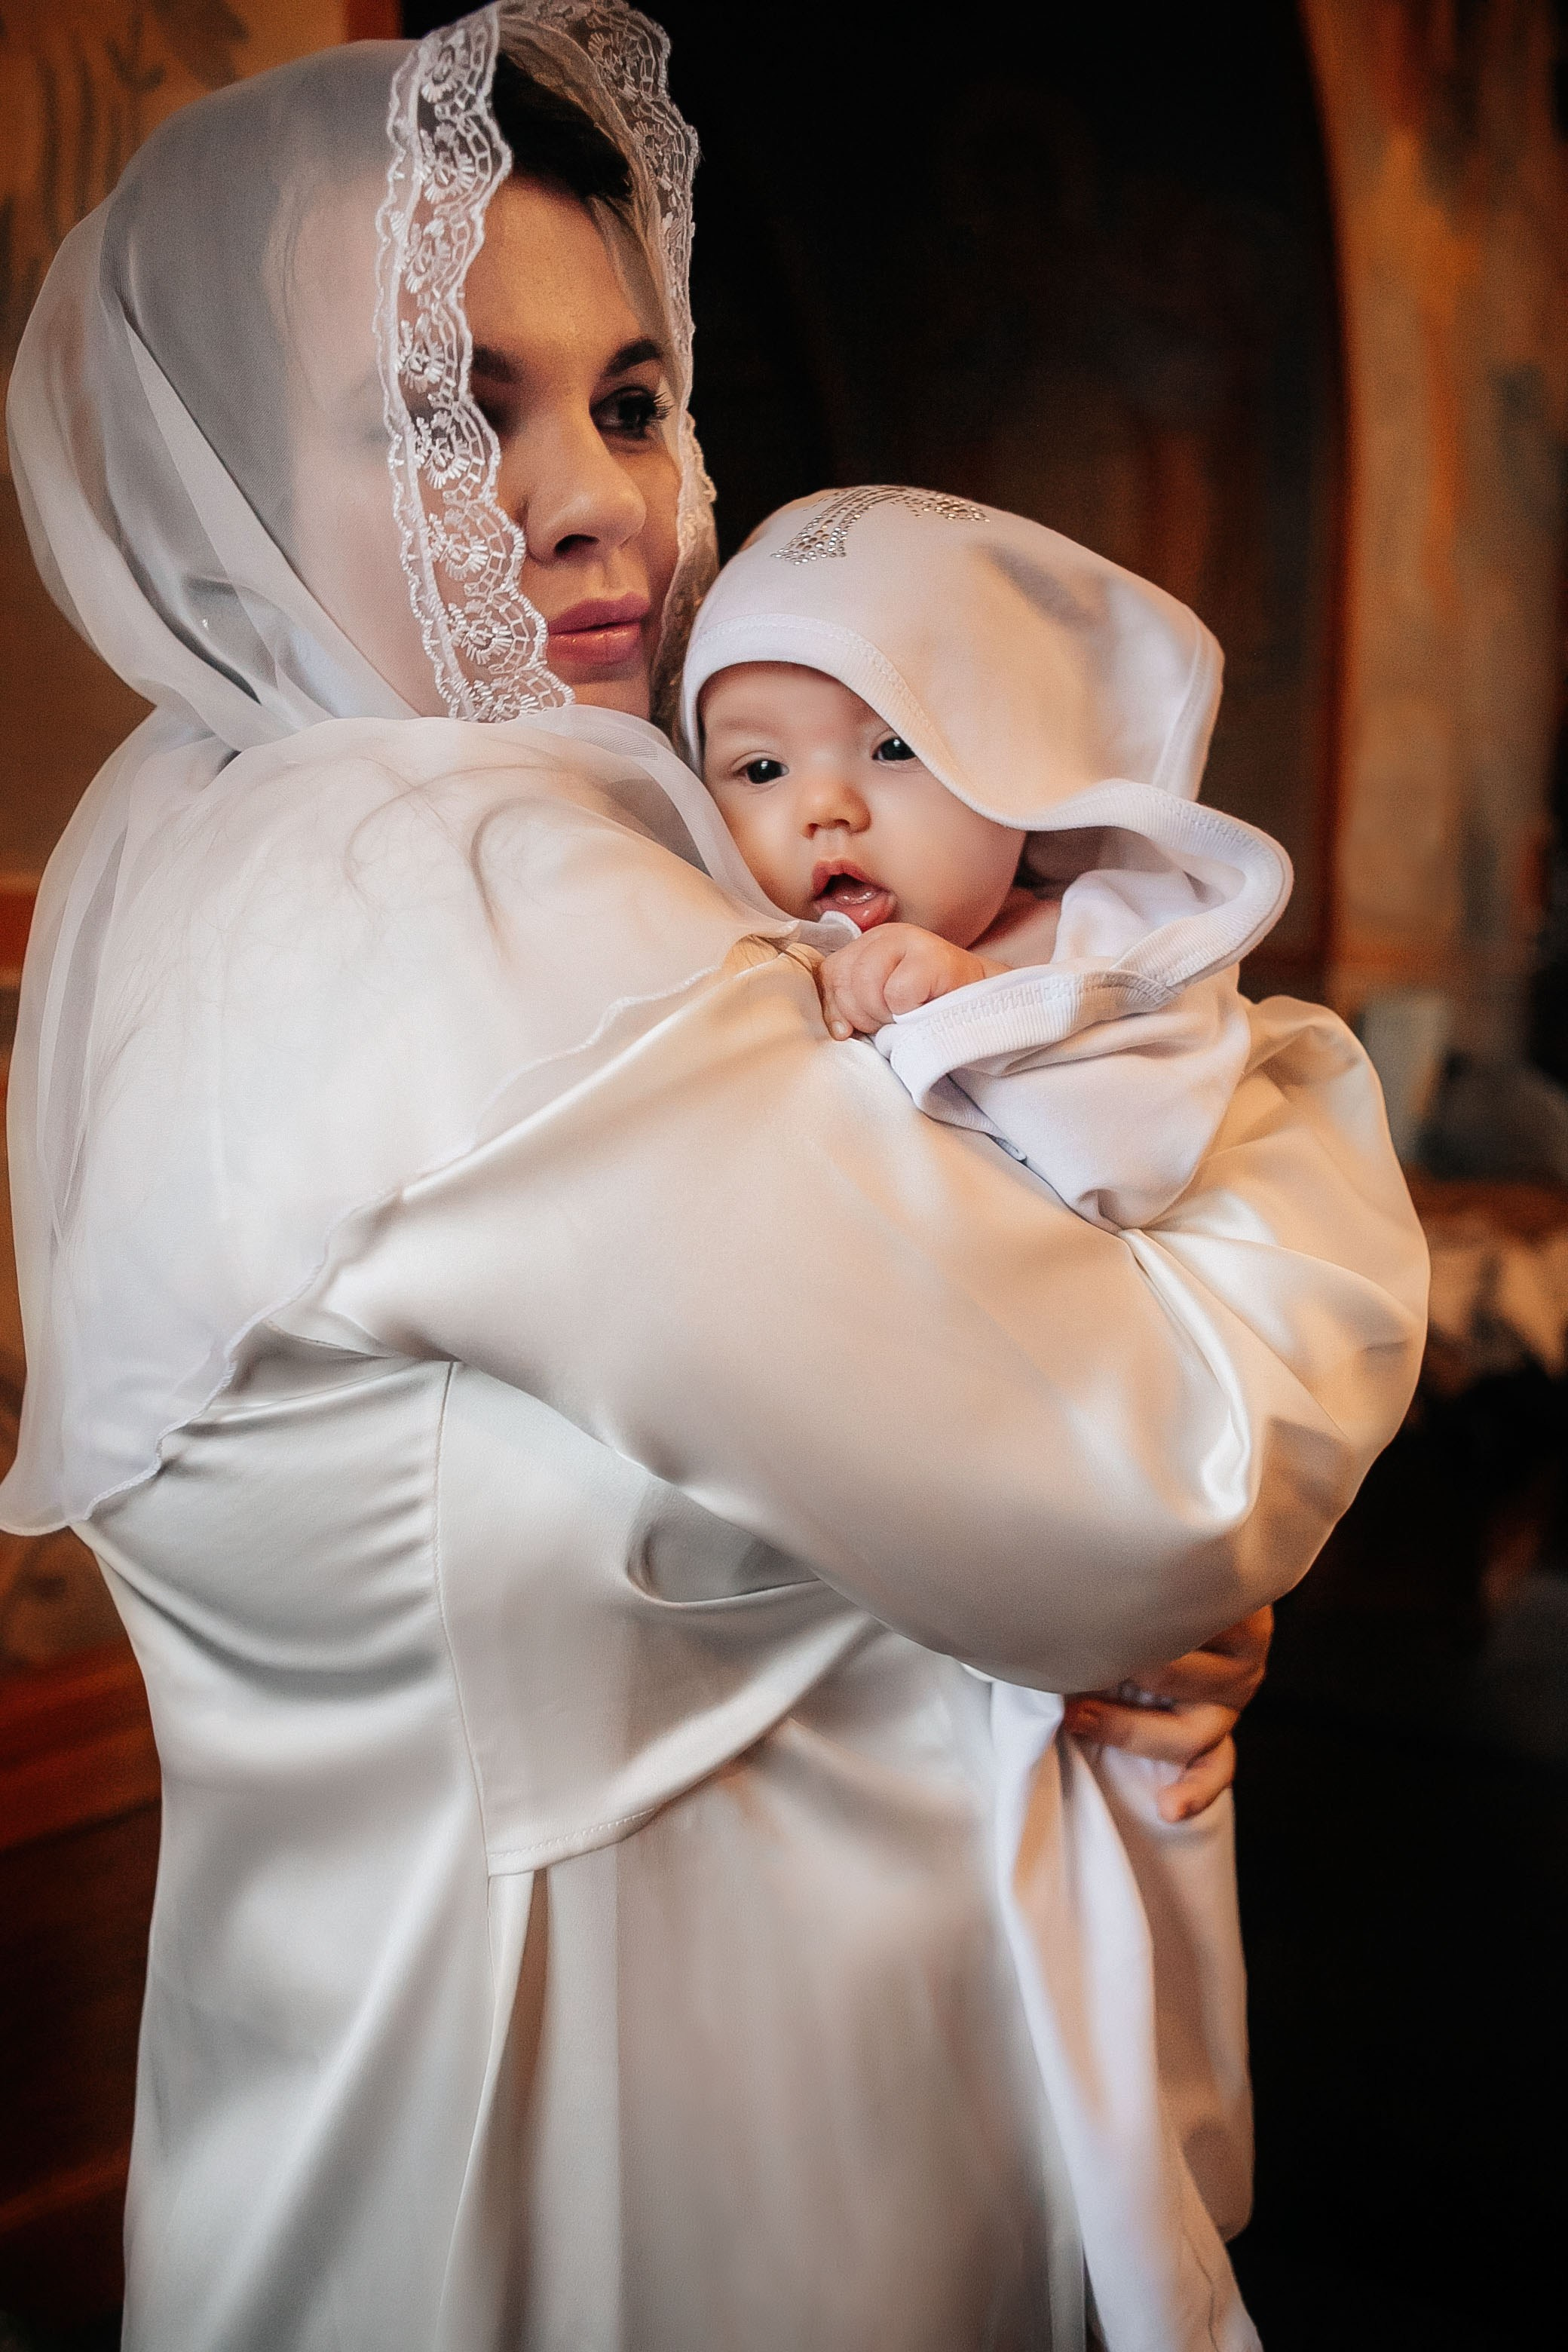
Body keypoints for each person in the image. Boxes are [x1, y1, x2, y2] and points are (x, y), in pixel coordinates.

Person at [0, 7, 1426, 2349]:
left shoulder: (198, 820)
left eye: (632, 399)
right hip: (614, 2178)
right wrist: (1257, 1159)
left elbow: (755, 1454)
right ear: (240, 464)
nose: (596, 502)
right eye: (452, 411)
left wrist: (1067, 1597)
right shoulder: (453, 888)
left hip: (420, 2101)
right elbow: (1138, 1468)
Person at [684, 491, 1300, 2348]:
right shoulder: (719, 966)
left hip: (1058, 1622)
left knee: (1103, 2043)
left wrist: (962, 1028)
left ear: (1025, 769)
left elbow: (1134, 1165)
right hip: (860, 1634)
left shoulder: (1099, 956)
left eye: (896, 740)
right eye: (760, 761)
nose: (830, 808)